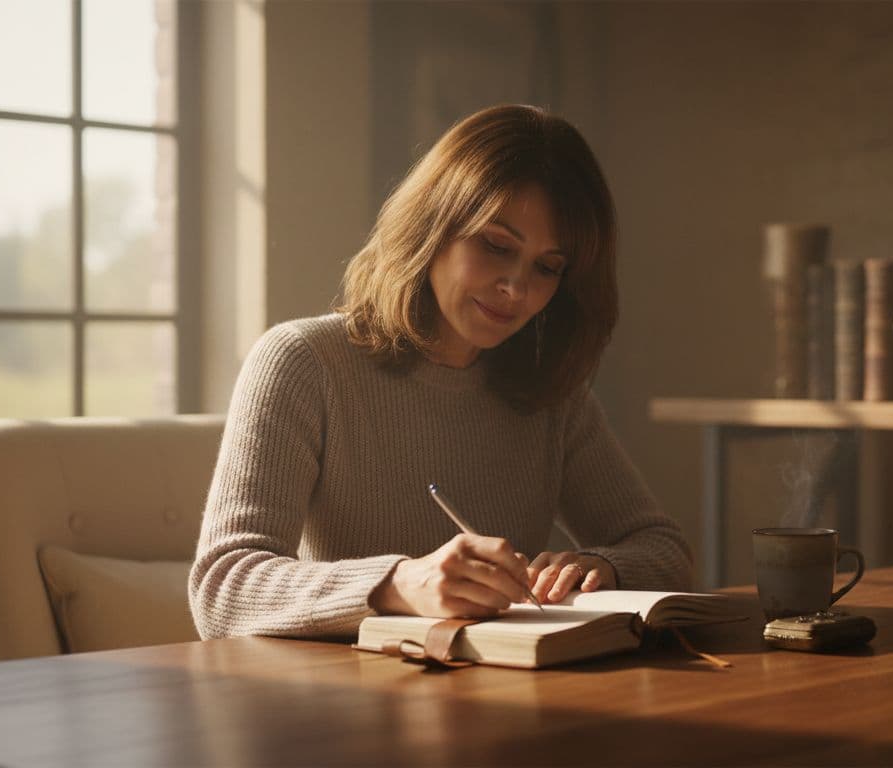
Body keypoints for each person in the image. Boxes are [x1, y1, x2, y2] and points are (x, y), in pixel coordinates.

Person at [189, 104, 693, 639]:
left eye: (547, 268)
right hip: (343, 701)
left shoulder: (551, 394)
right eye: (497, 246)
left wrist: (600, 566)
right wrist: (400, 584)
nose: (517, 289)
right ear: (433, 225)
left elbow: (664, 550)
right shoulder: (304, 362)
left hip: (509, 694)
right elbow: (223, 588)